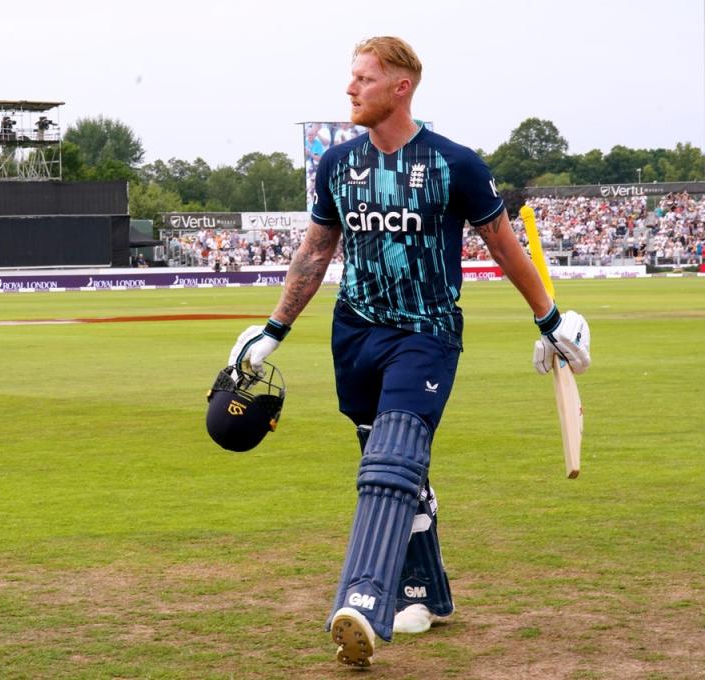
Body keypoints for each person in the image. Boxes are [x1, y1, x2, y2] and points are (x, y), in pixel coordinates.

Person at [226, 36, 591, 668]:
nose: (350, 88)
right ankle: (426, 592)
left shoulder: (455, 164)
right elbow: (315, 252)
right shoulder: (337, 165)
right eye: (351, 76)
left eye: (363, 78)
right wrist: (272, 328)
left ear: (401, 88)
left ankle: (365, 603)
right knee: (392, 465)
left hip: (426, 334)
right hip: (356, 335)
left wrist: (550, 320)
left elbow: (504, 245)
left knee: (390, 463)